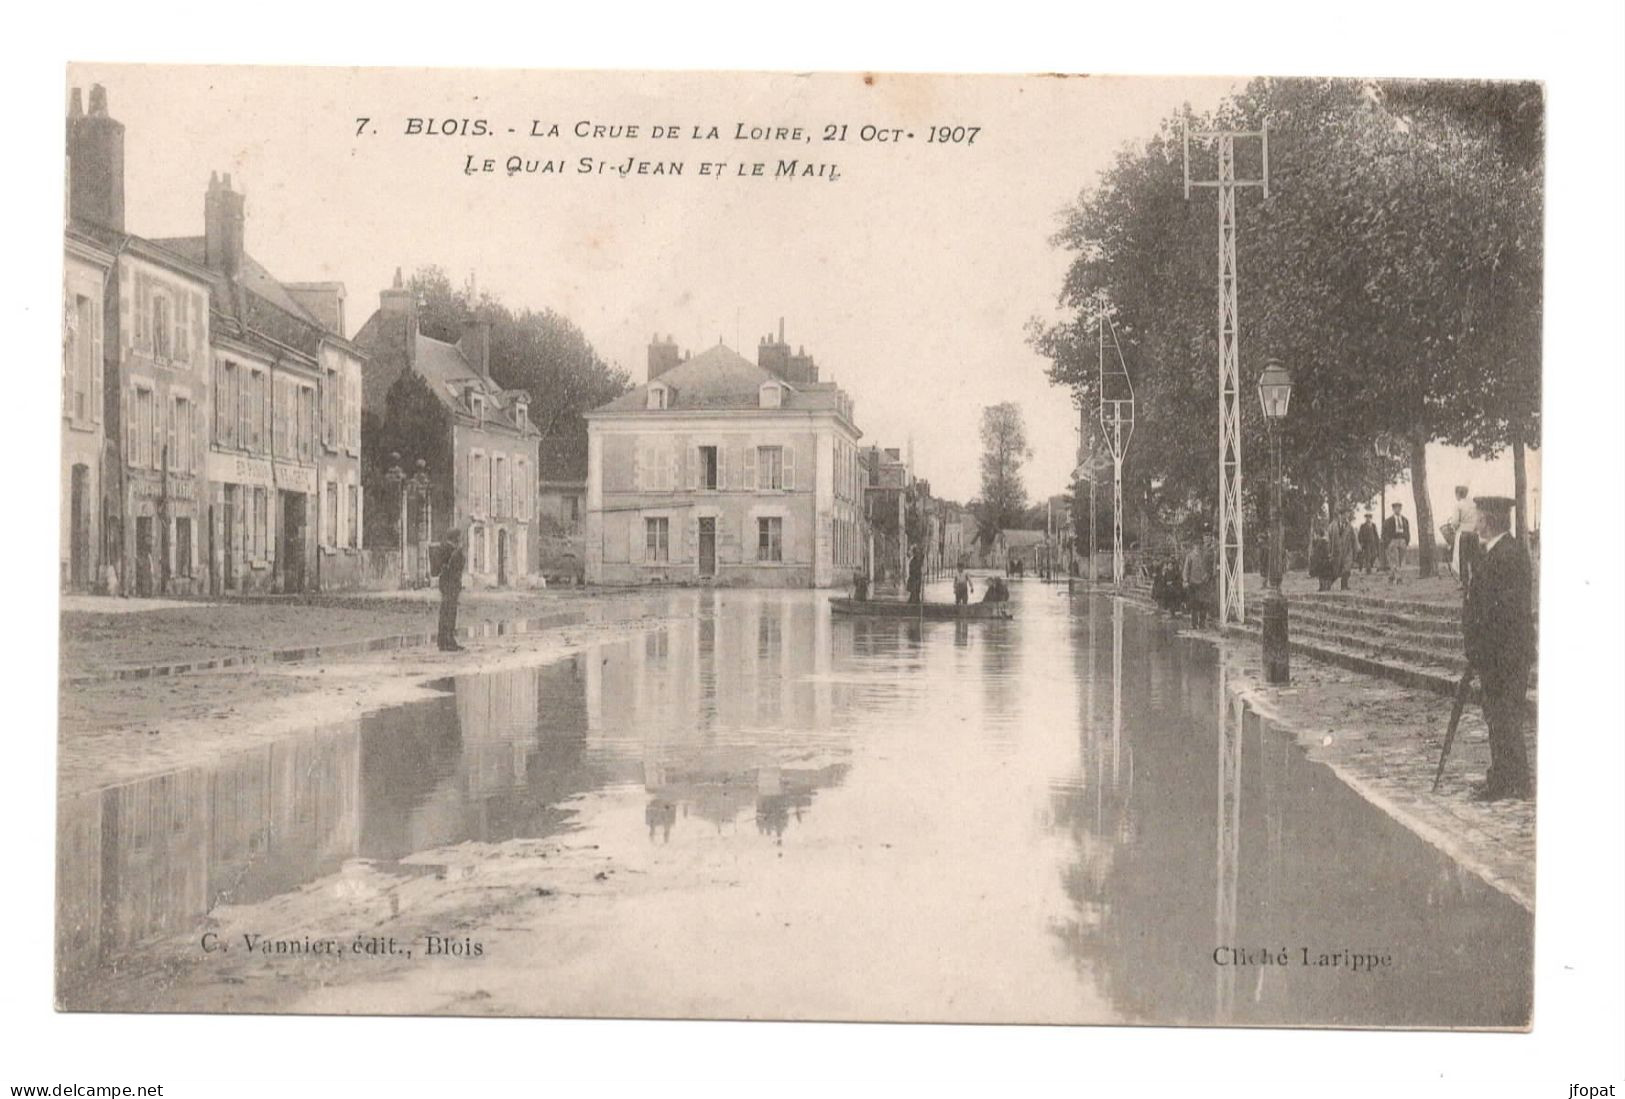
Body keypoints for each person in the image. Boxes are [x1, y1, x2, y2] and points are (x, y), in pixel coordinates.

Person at [1462, 495, 1533, 800]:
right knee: (1497, 716)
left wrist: (1481, 644)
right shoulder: (1494, 552)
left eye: (1478, 516)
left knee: (1505, 716)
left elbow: (1502, 610)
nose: (1475, 520)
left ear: (1489, 520)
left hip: (1506, 652)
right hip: (1494, 652)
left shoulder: (1508, 554)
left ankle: (1512, 781)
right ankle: (1505, 778)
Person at [435, 528, 467, 652]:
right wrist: (460, 551)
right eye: (459, 537)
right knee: (450, 612)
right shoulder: (454, 550)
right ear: (456, 538)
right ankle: (449, 640)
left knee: (444, 611)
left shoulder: (442, 548)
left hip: (444, 584)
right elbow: (457, 566)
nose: (460, 539)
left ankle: (442, 641)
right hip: (451, 584)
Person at [1446, 485, 1481, 591]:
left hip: (1464, 534)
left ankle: (1464, 582)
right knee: (1475, 559)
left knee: (1463, 559)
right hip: (1474, 534)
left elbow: (1455, 522)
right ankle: (1476, 581)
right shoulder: (1474, 505)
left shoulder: (1459, 505)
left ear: (1458, 494)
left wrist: (1453, 526)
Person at [1182, 527, 1216, 629]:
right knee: (1194, 604)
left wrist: (1207, 575)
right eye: (1196, 546)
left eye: (1199, 545)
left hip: (1202, 583)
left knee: (1203, 603)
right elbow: (1186, 569)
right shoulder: (1190, 556)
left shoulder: (1204, 555)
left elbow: (1208, 567)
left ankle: (1202, 623)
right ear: (1193, 546)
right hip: (1193, 583)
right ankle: (1194, 623)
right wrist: (1185, 580)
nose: (1198, 547)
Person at [1327, 509, 1358, 591]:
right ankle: (1328, 584)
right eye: (1344, 515)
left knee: (1346, 569)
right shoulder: (1332, 526)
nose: (1345, 517)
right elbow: (1329, 540)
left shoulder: (1350, 527)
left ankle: (1344, 586)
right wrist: (1329, 552)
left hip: (1347, 552)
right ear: (1339, 516)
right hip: (1336, 552)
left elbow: (1354, 540)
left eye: (1347, 515)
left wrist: (1355, 553)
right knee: (1335, 571)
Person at [1382, 502, 1411, 584]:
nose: (1397, 509)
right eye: (1395, 508)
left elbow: (1407, 531)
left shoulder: (1405, 520)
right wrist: (1388, 542)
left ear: (1401, 509)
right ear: (1393, 509)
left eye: (1399, 508)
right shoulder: (1388, 521)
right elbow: (1384, 533)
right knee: (1394, 560)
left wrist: (1406, 540)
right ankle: (1399, 578)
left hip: (1402, 540)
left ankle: (1392, 576)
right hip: (1393, 540)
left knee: (1402, 560)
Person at [1309, 519, 1334, 592]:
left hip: (1322, 560)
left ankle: (1324, 587)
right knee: (1324, 575)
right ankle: (1324, 587)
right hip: (1324, 560)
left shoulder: (1321, 542)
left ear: (1318, 535)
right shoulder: (1324, 542)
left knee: (1322, 575)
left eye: (1316, 535)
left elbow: (1320, 552)